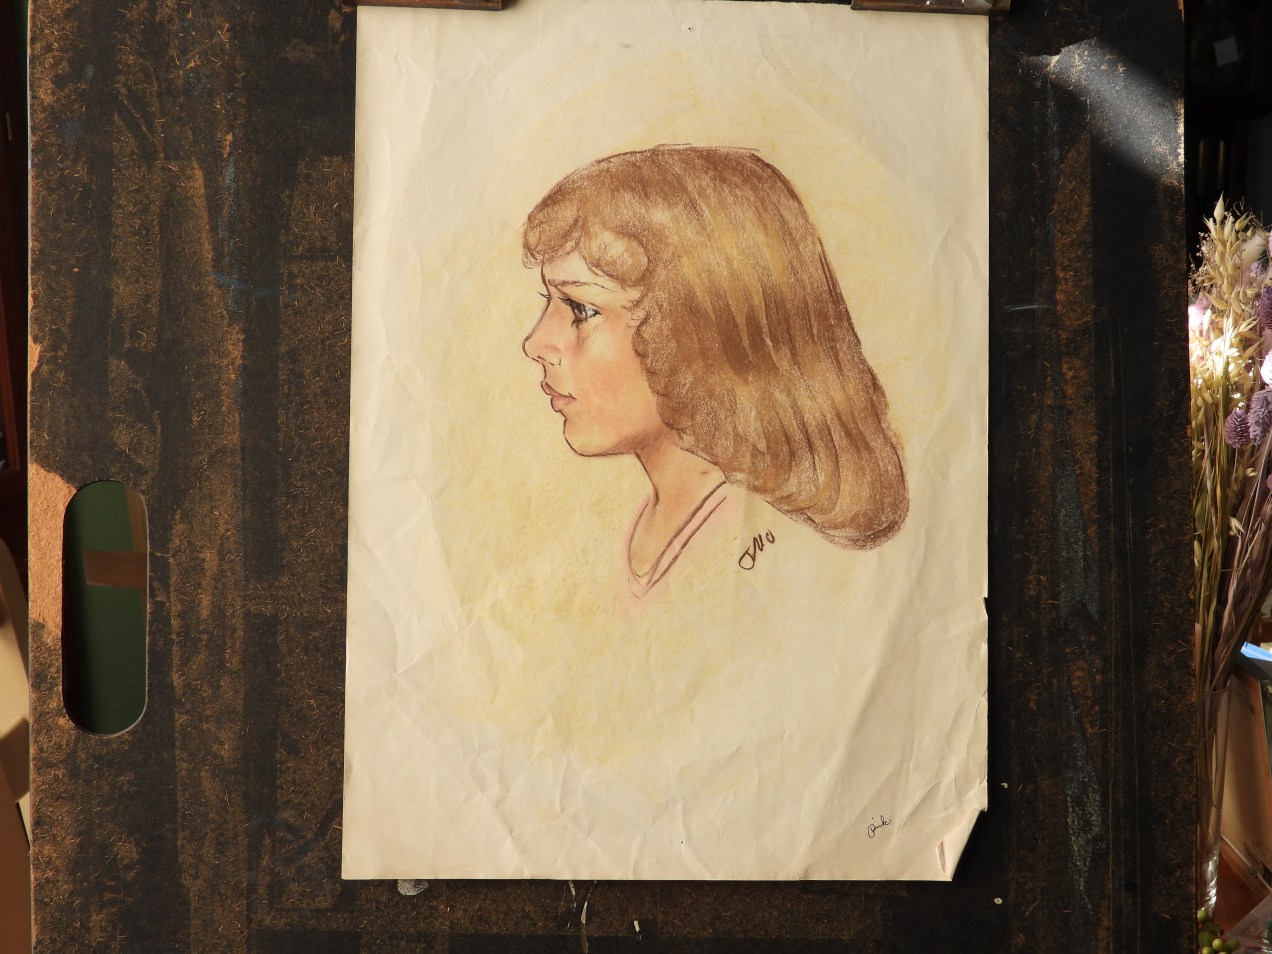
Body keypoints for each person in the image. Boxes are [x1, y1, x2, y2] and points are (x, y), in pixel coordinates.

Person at [521, 145, 908, 596]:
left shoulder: (767, 550)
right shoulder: (641, 529)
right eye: (549, 302)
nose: (536, 343)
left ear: (695, 332)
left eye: (581, 309)